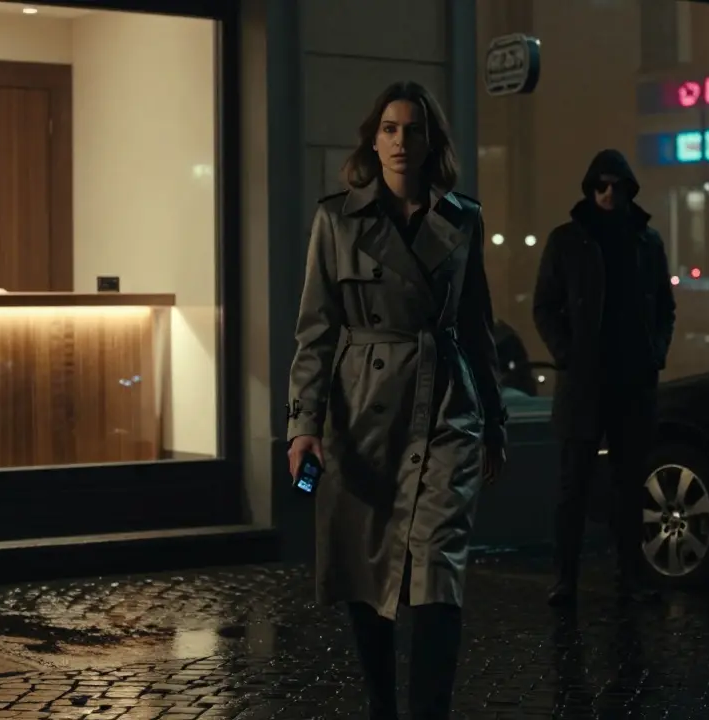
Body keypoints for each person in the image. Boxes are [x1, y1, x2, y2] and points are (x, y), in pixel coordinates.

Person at [285, 80, 507, 720]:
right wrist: (303, 427)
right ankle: (384, 707)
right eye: (389, 128)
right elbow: (315, 331)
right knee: (367, 566)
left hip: (445, 409)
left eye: (413, 129)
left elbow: (476, 324)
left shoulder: (462, 219)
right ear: (372, 139)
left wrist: (492, 421)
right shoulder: (335, 219)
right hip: (361, 411)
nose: (401, 140)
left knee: (438, 569)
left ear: (431, 140)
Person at [532, 148, 676, 606]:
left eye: (616, 186)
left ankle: (630, 576)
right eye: (601, 185)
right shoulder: (567, 241)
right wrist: (567, 354)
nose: (609, 193)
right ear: (590, 188)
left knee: (630, 484)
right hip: (584, 382)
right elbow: (545, 306)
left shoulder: (647, 241)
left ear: (629, 189)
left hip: (632, 380)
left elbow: (664, 308)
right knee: (573, 485)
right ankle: (565, 578)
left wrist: (655, 353)